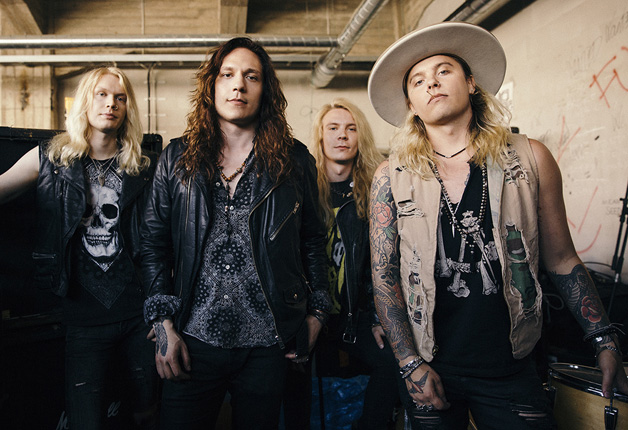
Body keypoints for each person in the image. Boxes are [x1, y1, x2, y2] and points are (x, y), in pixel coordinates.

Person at [367, 22, 628, 429]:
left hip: (512, 363)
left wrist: (603, 338)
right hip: (429, 365)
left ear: (471, 83)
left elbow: (561, 258)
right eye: (418, 80)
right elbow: (384, 276)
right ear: (412, 105)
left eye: (444, 71)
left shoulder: (531, 158)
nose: (431, 83)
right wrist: (408, 362)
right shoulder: (391, 175)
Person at [139, 36, 331, 429]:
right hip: (192, 339)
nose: (238, 85)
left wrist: (317, 314)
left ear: (265, 90)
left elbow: (313, 240)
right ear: (211, 87)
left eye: (251, 76)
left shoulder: (295, 160)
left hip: (269, 343)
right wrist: (163, 325)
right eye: (227, 75)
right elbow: (153, 244)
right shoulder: (176, 158)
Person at [0, 66, 160, 429]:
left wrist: (163, 310)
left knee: (148, 413)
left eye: (120, 98)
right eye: (102, 94)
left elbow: (166, 241)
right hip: (82, 315)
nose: (111, 104)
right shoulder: (51, 158)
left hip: (138, 314)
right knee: (83, 419)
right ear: (84, 102)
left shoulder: (145, 166)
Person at [285, 98, 398, 429]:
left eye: (351, 128)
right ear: (320, 136)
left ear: (360, 137)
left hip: (353, 316)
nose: (342, 135)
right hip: (307, 313)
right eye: (333, 128)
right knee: (290, 375)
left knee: (393, 362)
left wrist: (378, 317)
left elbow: (382, 261)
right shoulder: (300, 188)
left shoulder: (375, 191)